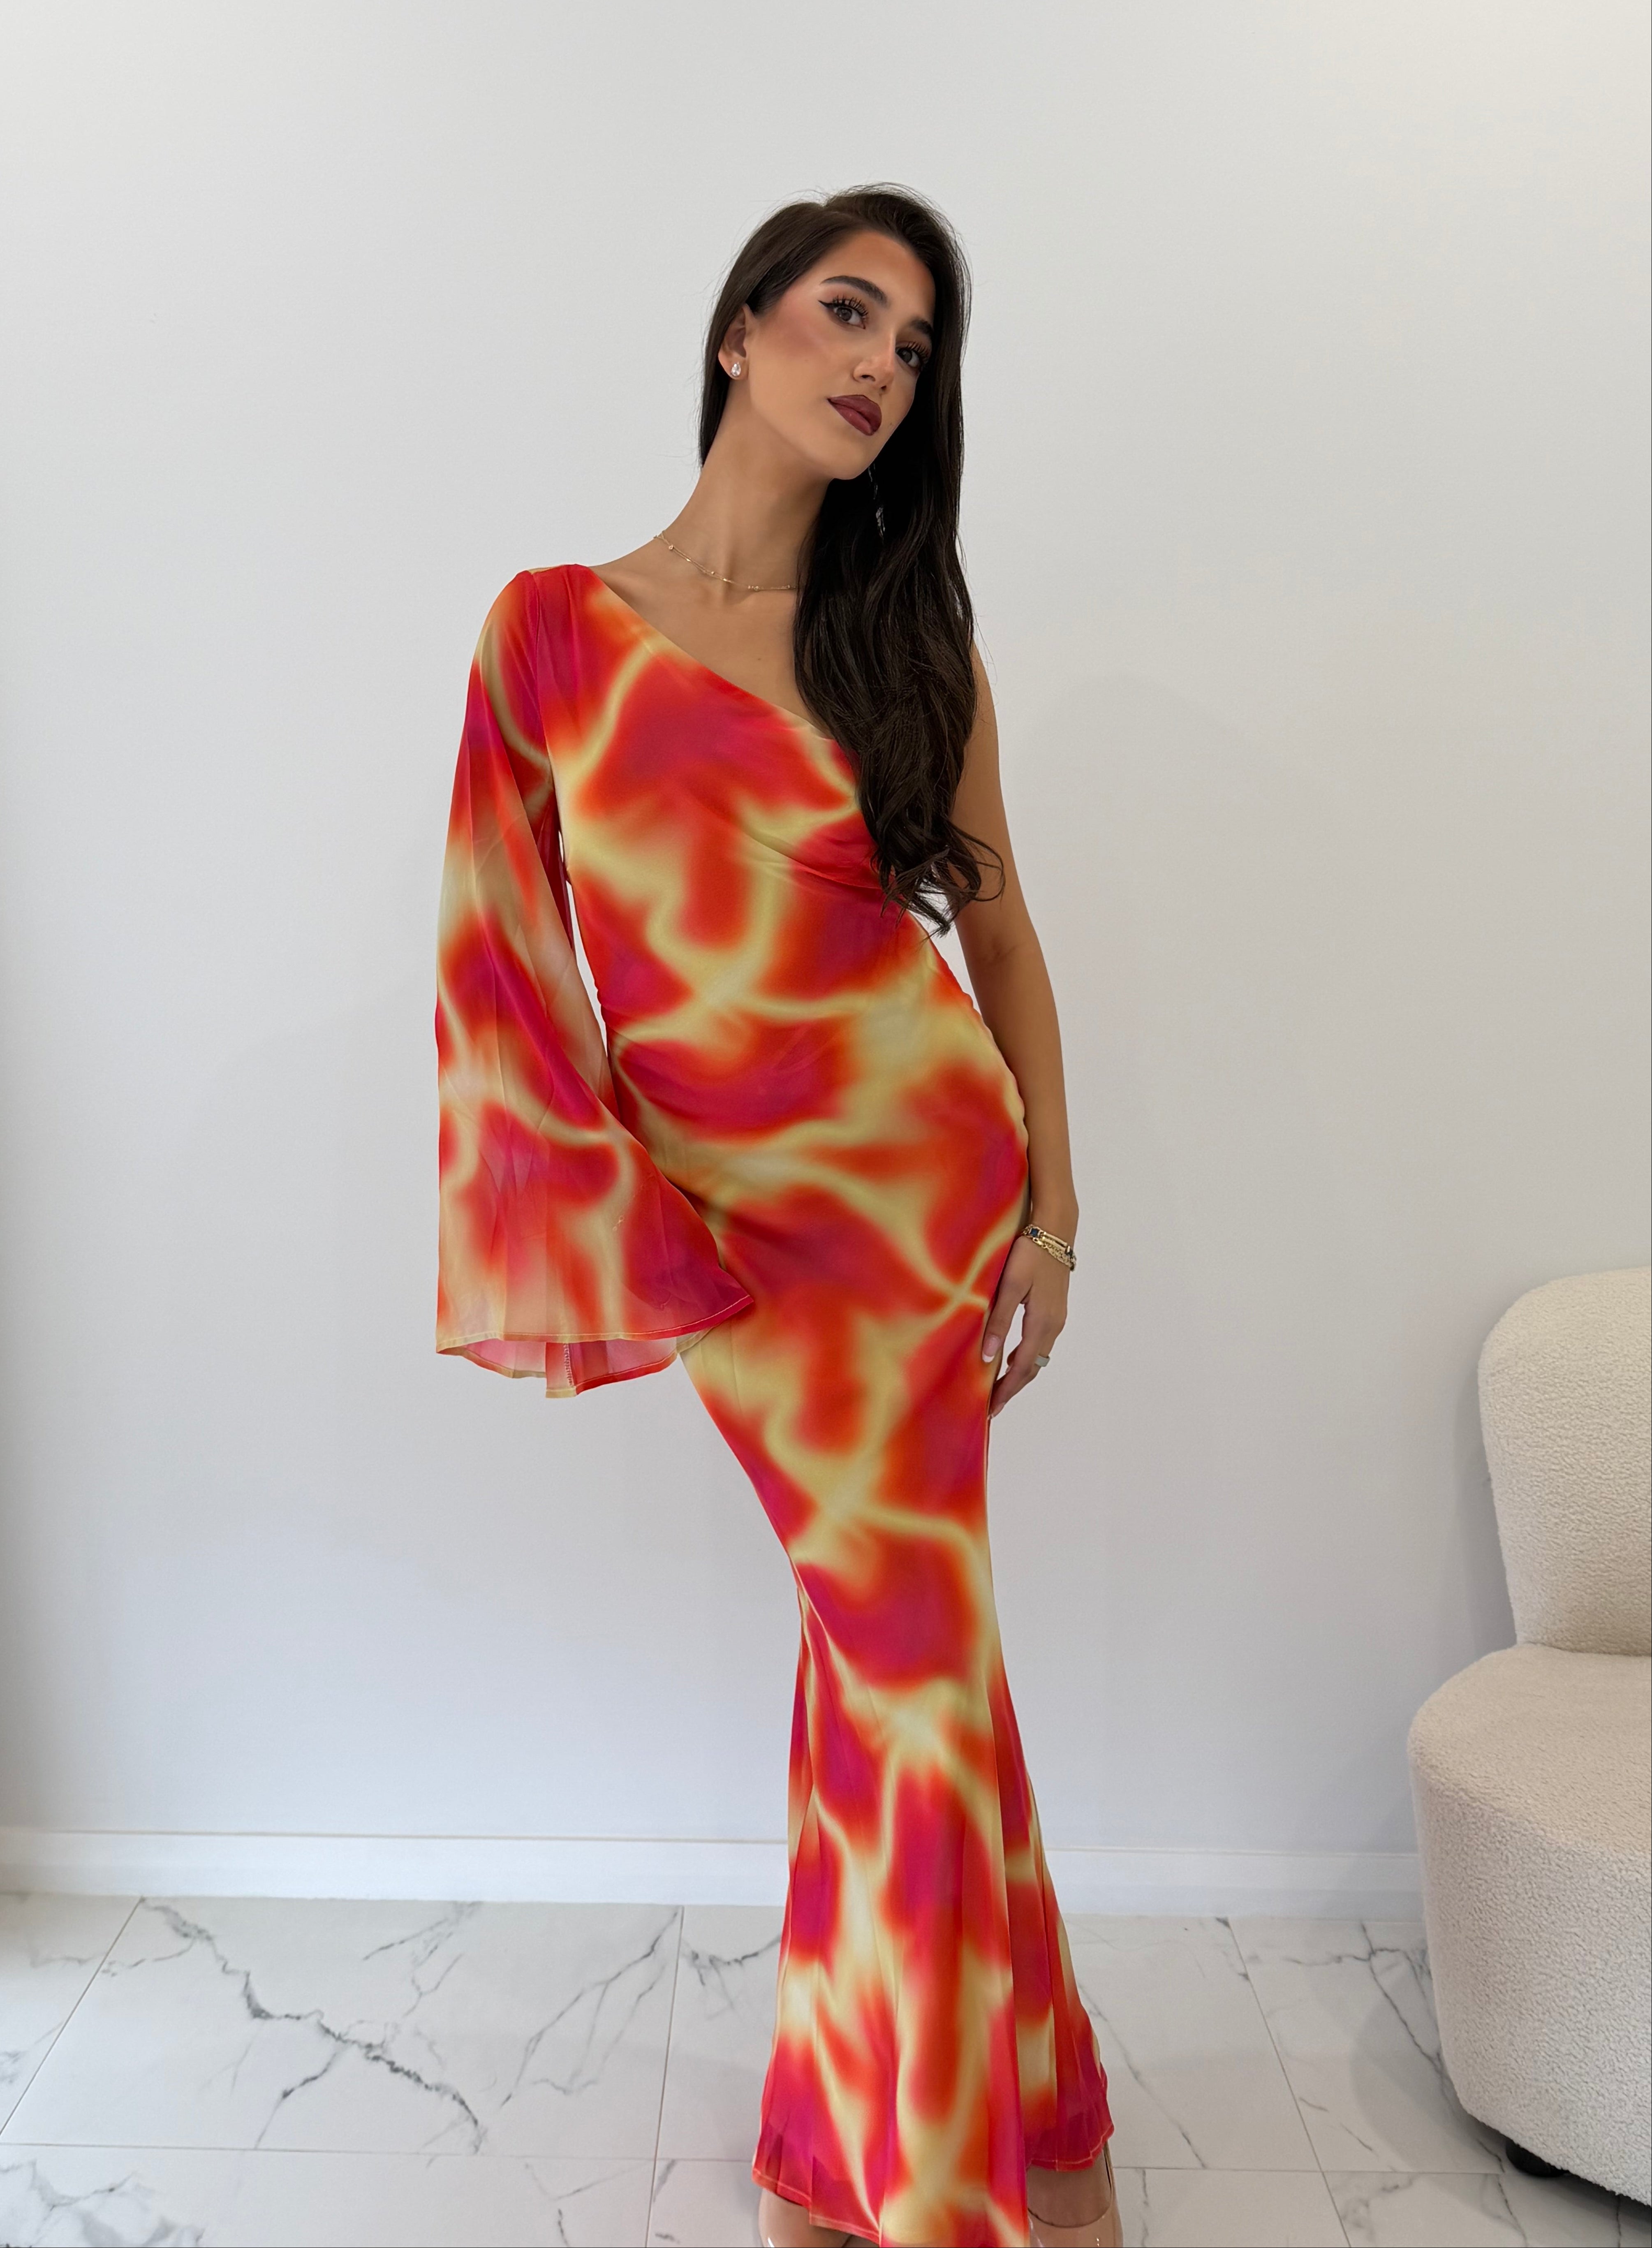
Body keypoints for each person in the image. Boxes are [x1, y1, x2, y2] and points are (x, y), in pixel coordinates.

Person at [435, 183, 1120, 2248]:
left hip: (925, 1204)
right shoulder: (552, 632)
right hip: (738, 1242)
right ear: (740, 328)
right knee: (905, 1655)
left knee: (902, 1659)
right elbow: (504, 957)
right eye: (846, 312)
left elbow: (1004, 941)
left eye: (914, 348)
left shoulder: (903, 645)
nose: (880, 367)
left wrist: (1055, 1216)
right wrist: (623, 1212)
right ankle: (990, 2113)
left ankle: (910, 2175)